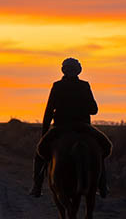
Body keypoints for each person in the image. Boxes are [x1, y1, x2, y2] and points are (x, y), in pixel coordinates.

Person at [29, 57, 112, 198]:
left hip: (61, 127)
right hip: (83, 127)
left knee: (40, 151)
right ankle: (102, 185)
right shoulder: (84, 86)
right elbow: (94, 109)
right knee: (104, 147)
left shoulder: (57, 86)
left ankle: (37, 185)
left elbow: (48, 111)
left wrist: (44, 133)